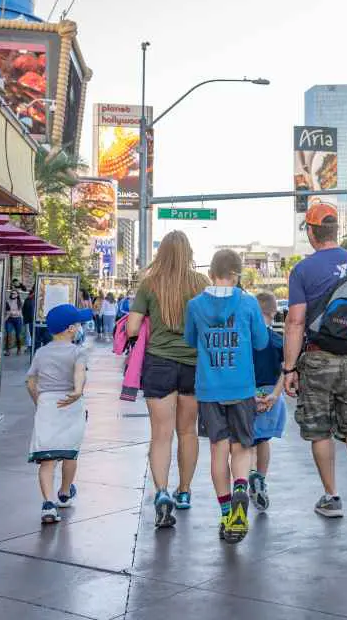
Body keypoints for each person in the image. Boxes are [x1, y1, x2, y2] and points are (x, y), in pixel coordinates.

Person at [283, 202, 347, 533]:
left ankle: (332, 496)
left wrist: (289, 368)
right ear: (335, 231)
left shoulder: (302, 270)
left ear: (312, 232)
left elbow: (296, 322)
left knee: (320, 430)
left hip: (317, 358)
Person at [184, 249, 268, 544]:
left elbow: (190, 340)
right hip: (242, 388)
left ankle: (225, 514)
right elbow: (261, 342)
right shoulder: (248, 303)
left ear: (211, 273)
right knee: (242, 447)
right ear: (236, 274)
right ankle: (242, 488)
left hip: (209, 390)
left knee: (218, 451)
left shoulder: (195, 305)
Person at [127, 231, 209, 529]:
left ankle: (161, 492)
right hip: (193, 364)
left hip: (158, 363)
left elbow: (133, 328)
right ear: (188, 253)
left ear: (161, 253)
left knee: (161, 434)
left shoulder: (150, 284)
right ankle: (184, 492)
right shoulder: (201, 284)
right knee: (187, 432)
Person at [26, 303, 91, 524]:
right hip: (70, 406)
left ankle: (48, 504)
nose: (81, 326)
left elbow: (30, 381)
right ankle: (64, 492)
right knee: (69, 453)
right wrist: (77, 391)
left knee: (47, 459)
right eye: (79, 323)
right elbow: (79, 372)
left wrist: (39, 402)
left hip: (47, 406)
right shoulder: (77, 351)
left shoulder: (41, 352)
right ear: (71, 328)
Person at [250, 291, 287, 511]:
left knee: (245, 442)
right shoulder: (277, 339)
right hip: (271, 394)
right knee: (263, 441)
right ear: (274, 313)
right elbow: (286, 370)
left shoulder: (246, 340)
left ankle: (248, 476)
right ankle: (261, 478)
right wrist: (275, 393)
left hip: (248, 394)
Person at [4, 284, 25, 356]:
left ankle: (19, 349)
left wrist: (12, 312)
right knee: (8, 334)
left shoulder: (21, 301)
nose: (12, 294)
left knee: (18, 335)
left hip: (18, 319)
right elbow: (7, 311)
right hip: (9, 319)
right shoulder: (8, 301)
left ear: (17, 295)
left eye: (14, 293)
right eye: (12, 293)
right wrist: (6, 318)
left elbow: (21, 312)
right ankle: (8, 350)